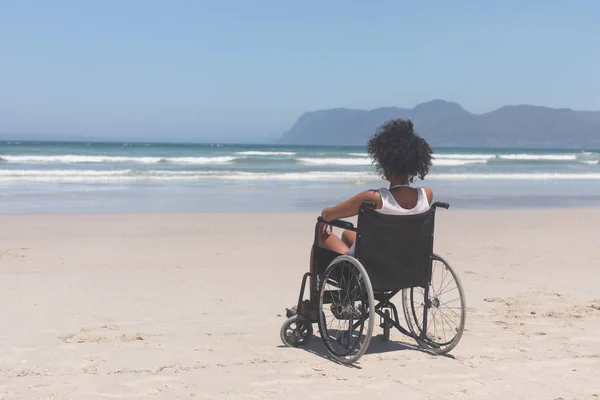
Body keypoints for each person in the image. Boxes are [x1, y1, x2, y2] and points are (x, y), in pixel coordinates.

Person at [287, 118, 434, 317]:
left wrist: (326, 218)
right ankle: (345, 300)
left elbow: (328, 214)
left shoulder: (373, 199)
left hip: (371, 272)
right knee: (348, 234)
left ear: (386, 166)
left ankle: (314, 307)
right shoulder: (426, 195)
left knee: (321, 235)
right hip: (406, 268)